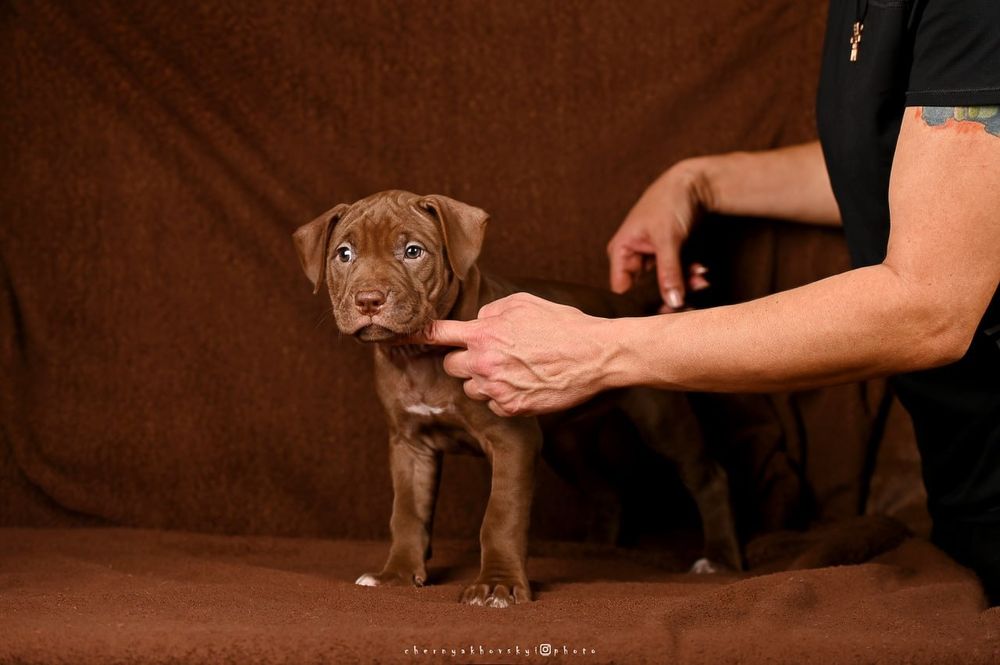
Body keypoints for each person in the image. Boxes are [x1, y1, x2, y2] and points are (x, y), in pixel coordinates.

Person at [412, 1, 1000, 603]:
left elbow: (930, 308)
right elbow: (921, 168)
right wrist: (699, 181)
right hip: (963, 499)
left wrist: (603, 348)